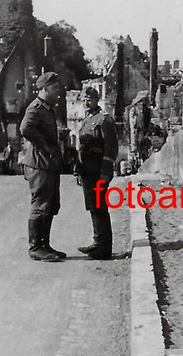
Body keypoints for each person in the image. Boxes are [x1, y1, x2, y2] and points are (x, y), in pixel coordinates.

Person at [20, 71, 66, 262]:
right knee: (40, 204)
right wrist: (44, 145)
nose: (59, 91)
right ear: (45, 89)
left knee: (50, 204)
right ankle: (36, 247)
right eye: (55, 88)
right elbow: (25, 129)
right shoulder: (36, 108)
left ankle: (44, 245)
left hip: (47, 163)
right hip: (39, 164)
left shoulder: (47, 108)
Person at [76, 86, 118, 260]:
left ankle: (103, 247)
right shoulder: (86, 120)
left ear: (97, 99)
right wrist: (78, 170)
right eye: (84, 99)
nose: (86, 102)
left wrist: (105, 172)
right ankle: (97, 242)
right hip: (87, 171)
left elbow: (111, 148)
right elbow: (81, 148)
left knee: (100, 207)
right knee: (93, 206)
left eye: (90, 99)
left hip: (98, 171)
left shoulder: (104, 120)